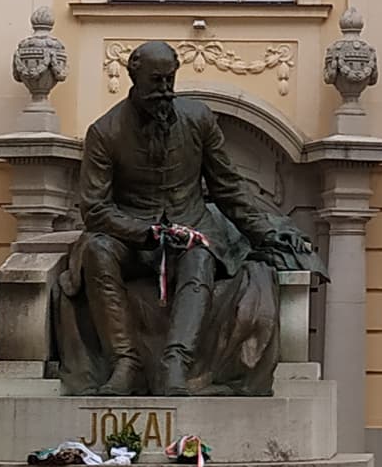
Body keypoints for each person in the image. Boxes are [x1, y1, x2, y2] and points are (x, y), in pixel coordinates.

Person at [64, 40, 309, 392]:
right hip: (130, 238)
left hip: (189, 228)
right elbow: (95, 209)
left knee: (200, 255)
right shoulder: (105, 132)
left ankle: (176, 362)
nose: (165, 91)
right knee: (97, 251)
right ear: (135, 78)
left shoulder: (198, 119)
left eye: (169, 80)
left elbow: (227, 187)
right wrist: (144, 233)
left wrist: (266, 231)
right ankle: (125, 362)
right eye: (156, 82)